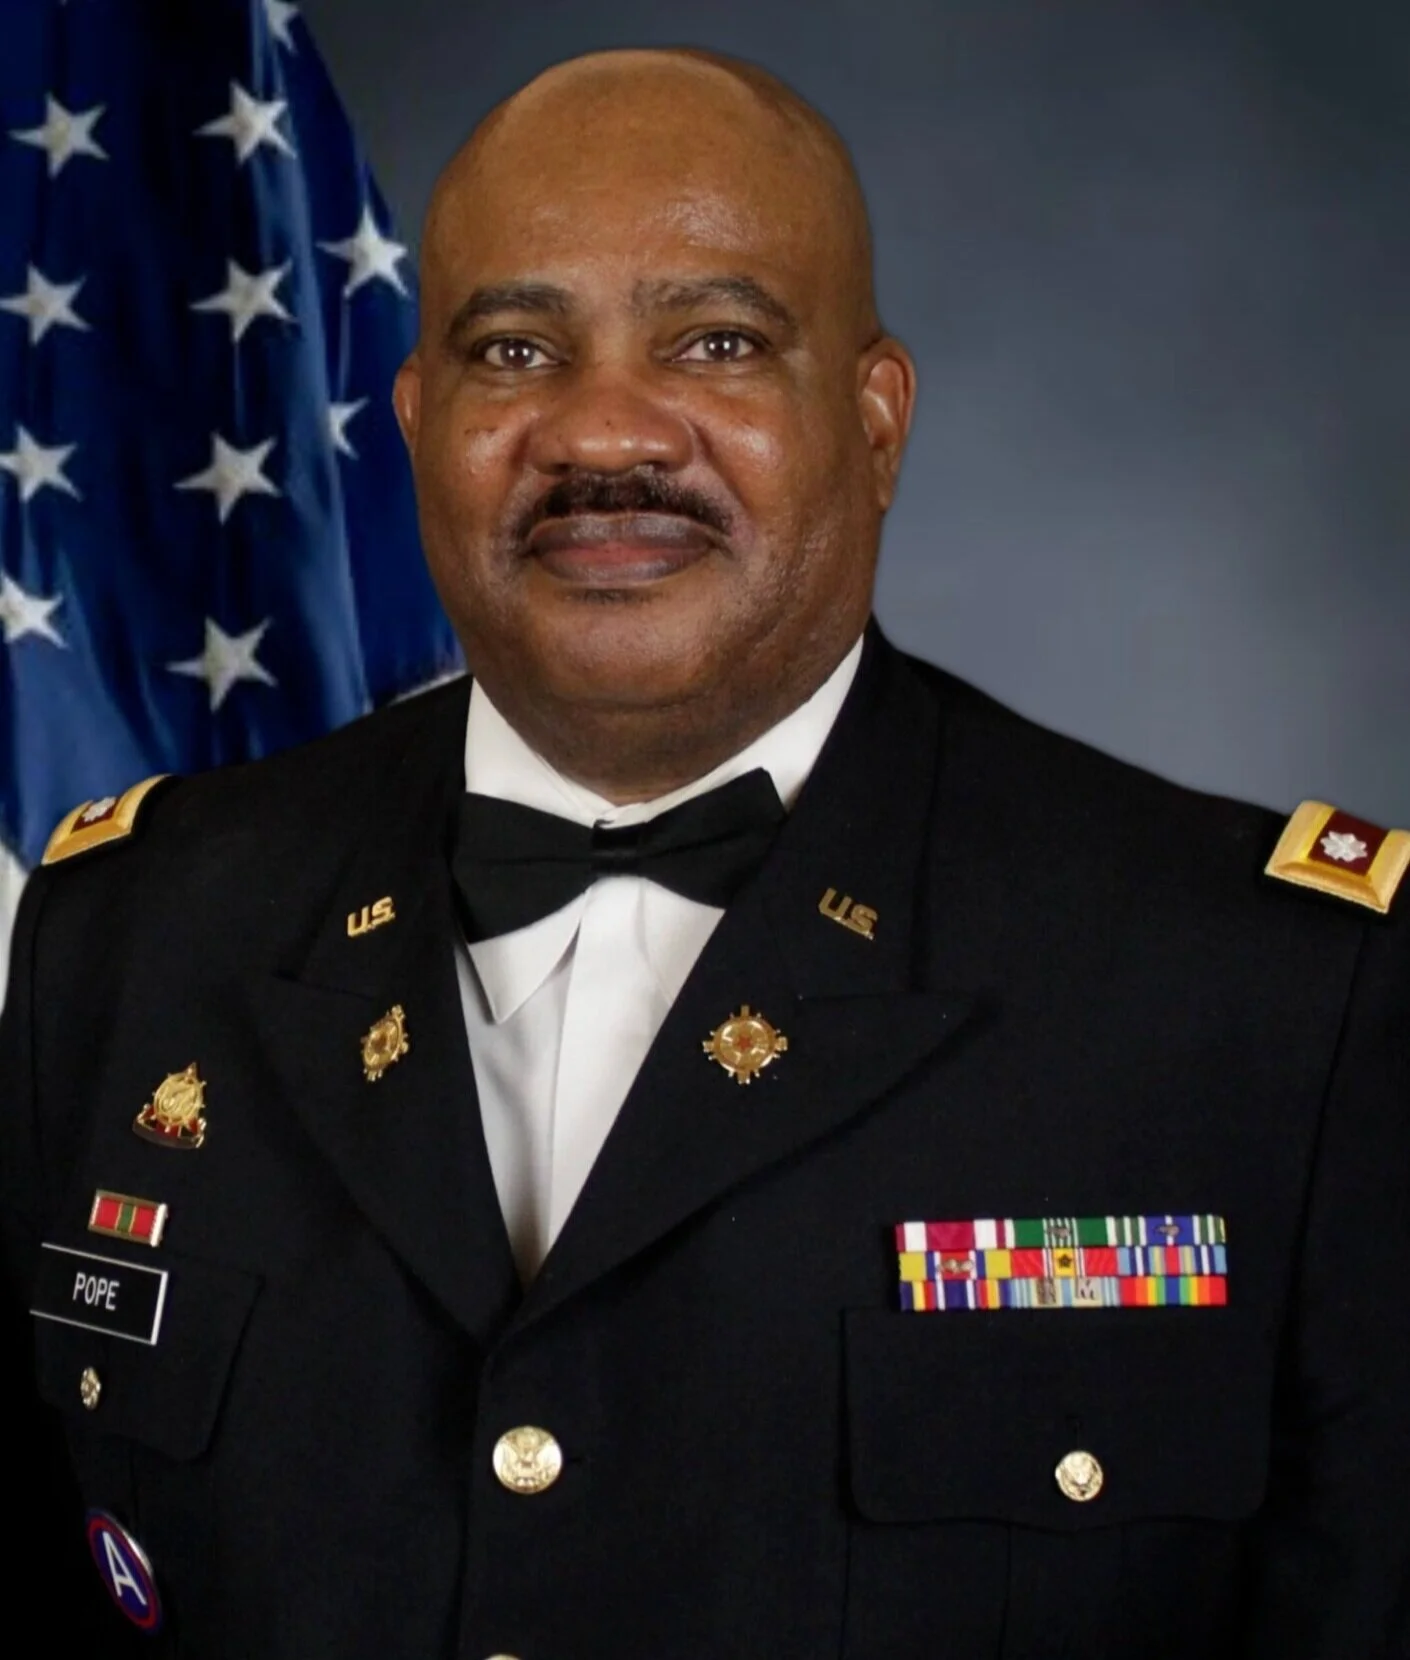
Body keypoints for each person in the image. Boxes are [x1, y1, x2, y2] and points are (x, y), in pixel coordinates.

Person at [3, 45, 1407, 1660]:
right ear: (413, 421)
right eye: (513, 347)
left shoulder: (1276, 997)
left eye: (719, 340)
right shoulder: (129, 933)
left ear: (873, 423)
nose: (603, 429)